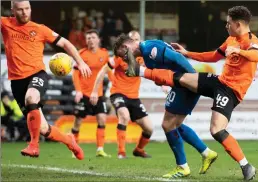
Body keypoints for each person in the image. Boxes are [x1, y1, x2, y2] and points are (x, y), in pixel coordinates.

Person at [126, 6, 258, 181]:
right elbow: (213, 56)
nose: (226, 26)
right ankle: (141, 72)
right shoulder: (230, 39)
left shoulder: (251, 41)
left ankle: (246, 166)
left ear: (239, 24)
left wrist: (239, 51)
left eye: (228, 23)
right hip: (219, 81)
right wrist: (187, 53)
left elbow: (255, 56)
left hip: (232, 91)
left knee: (216, 130)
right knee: (181, 78)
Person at [103, 31, 218, 178]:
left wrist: (192, 78)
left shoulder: (150, 48)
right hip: (182, 85)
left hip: (185, 84)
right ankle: (207, 153)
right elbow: (162, 72)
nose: (124, 59)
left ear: (126, 46)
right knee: (175, 125)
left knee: (167, 125)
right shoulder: (145, 53)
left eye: (124, 55)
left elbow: (176, 57)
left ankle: (183, 167)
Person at [1, 1, 91, 159]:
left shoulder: (40, 29)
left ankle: (34, 145)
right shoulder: (5, 24)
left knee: (31, 97)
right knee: (43, 128)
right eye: (20, 10)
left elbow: (65, 43)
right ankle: (69, 141)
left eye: (27, 9)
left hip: (37, 75)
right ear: (12, 10)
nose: (24, 12)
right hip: (17, 82)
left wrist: (81, 62)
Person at [91, 31, 153, 159]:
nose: (135, 42)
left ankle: (138, 150)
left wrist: (163, 84)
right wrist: (94, 91)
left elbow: (154, 71)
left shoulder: (144, 57)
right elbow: (103, 71)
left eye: (137, 39)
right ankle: (121, 152)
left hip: (134, 97)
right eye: (132, 39)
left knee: (149, 129)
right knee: (124, 115)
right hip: (118, 93)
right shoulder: (120, 57)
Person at [71, 29, 112, 158]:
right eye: (88, 38)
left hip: (98, 94)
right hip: (84, 94)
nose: (90, 40)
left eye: (93, 37)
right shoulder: (81, 54)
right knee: (77, 122)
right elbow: (75, 74)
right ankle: (74, 149)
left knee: (102, 119)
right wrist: (78, 91)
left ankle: (100, 149)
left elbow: (109, 72)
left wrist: (115, 85)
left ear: (98, 39)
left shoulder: (104, 54)